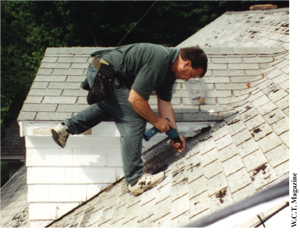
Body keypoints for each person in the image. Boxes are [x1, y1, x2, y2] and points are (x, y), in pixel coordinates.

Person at [51, 43, 207, 196]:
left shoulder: (170, 73)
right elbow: (135, 99)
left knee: (113, 108)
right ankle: (135, 180)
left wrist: (175, 134)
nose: (188, 80)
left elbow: (165, 105)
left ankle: (65, 128)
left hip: (108, 74)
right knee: (134, 120)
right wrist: (156, 121)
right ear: (186, 64)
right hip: (104, 72)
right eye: (192, 75)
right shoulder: (160, 62)